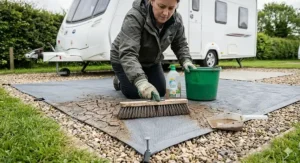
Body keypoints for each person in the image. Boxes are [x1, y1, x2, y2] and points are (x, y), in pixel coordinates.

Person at [110, 0, 196, 102]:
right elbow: (128, 52)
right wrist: (141, 82)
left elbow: (180, 44)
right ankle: (119, 80)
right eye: (161, 6)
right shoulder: (134, 16)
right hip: (123, 59)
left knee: (160, 91)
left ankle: (140, 75)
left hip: (150, 61)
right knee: (134, 93)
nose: (165, 13)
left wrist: (186, 60)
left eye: (171, 8)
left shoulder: (176, 20)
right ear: (151, 1)